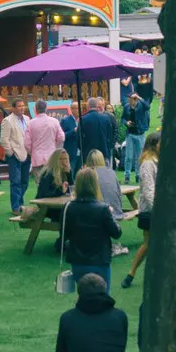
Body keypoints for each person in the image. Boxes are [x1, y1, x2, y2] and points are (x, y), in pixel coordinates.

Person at [59, 168, 122, 289]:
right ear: (95, 185)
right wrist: (111, 215)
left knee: (84, 296)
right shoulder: (103, 209)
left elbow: (63, 234)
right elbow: (116, 233)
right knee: (102, 296)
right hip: (100, 261)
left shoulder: (68, 208)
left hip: (78, 261)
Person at [122, 131, 158, 289]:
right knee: (148, 244)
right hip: (151, 210)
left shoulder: (159, 161)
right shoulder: (148, 164)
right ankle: (131, 273)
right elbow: (148, 191)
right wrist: (158, 211)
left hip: (160, 208)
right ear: (154, 145)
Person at [0, 99, 31, 213]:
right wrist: (10, 153)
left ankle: (20, 202)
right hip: (15, 156)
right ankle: (15, 207)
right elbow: (4, 139)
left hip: (27, 154)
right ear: (13, 108)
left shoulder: (27, 119)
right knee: (15, 182)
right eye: (19, 106)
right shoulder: (7, 121)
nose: (22, 108)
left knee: (25, 182)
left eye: (23, 105)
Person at [24, 100, 63, 176]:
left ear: (35, 109)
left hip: (37, 158)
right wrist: (55, 147)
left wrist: (32, 152)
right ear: (46, 109)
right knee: (53, 182)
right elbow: (61, 137)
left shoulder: (30, 123)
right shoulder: (54, 121)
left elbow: (27, 144)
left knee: (40, 183)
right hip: (52, 156)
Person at [78, 96, 118, 170]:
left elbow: (79, 139)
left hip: (88, 154)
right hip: (104, 153)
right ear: (97, 106)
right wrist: (108, 147)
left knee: (90, 176)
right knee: (103, 176)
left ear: (87, 106)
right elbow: (110, 136)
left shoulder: (83, 119)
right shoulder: (105, 118)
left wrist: (83, 149)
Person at [122, 91, 150, 176]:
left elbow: (147, 106)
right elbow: (123, 118)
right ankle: (127, 175)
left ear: (135, 100)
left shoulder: (141, 106)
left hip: (140, 134)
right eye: (129, 99)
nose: (129, 100)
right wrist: (126, 123)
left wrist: (139, 97)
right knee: (128, 157)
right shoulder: (126, 107)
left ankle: (138, 175)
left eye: (130, 99)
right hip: (130, 134)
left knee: (139, 156)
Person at [59, 102, 81, 172]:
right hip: (71, 153)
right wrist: (73, 131)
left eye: (79, 108)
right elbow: (62, 136)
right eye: (77, 108)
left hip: (81, 153)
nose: (78, 110)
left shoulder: (83, 120)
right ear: (71, 109)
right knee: (71, 174)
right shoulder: (65, 121)